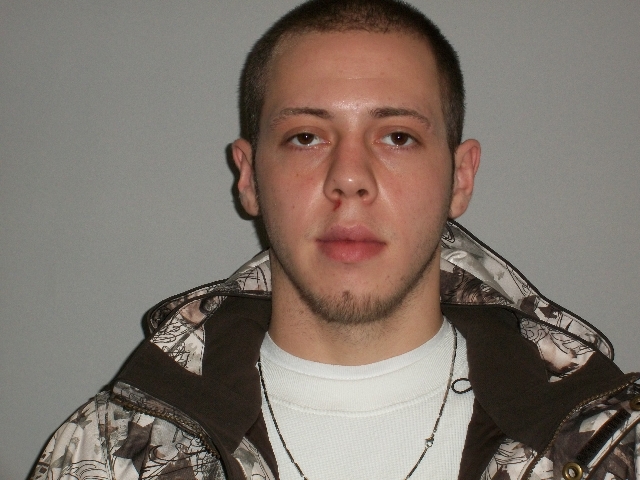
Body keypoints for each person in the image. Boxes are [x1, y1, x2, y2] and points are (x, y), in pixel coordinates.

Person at [29, 1, 639, 479]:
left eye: (397, 137)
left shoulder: (613, 448)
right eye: (305, 137)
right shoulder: (104, 455)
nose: (349, 178)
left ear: (460, 177)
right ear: (249, 176)